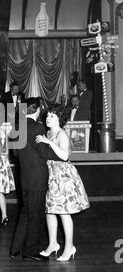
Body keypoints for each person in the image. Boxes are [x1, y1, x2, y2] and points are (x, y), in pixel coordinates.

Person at [9, 98, 62, 262]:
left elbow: (16, 154)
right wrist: (61, 154)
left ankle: (15, 249)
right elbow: (44, 152)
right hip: (38, 177)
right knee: (36, 215)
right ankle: (31, 251)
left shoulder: (17, 127)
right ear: (38, 109)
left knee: (26, 212)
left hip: (24, 177)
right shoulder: (38, 127)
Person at [36, 104, 90, 261]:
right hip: (51, 175)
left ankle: (69, 247)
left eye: (52, 116)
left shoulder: (62, 134)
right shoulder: (48, 132)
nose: (48, 118)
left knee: (64, 212)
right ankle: (53, 244)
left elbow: (65, 156)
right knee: (50, 211)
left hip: (63, 176)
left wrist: (49, 142)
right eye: (48, 115)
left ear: (59, 119)